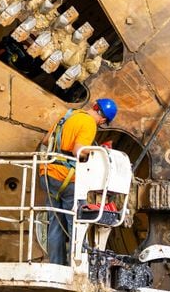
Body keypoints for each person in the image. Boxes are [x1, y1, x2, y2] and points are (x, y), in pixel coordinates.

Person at [39, 98, 118, 265]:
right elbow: (78, 151)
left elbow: (46, 141)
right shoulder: (89, 123)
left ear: (95, 107)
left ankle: (56, 266)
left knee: (55, 222)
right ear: (103, 120)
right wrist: (98, 151)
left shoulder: (68, 116)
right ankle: (77, 266)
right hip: (67, 178)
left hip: (47, 173)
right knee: (76, 223)